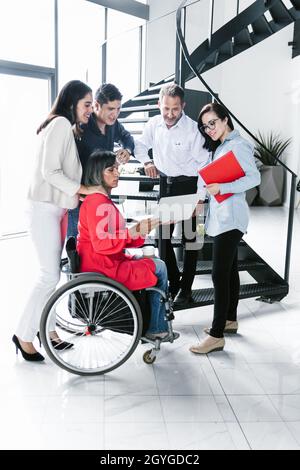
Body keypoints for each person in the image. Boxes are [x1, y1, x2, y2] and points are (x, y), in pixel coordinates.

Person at [13, 80, 102, 362]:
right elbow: (50, 171)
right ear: (72, 102)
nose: (91, 110)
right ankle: (23, 334)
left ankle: (48, 331)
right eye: (87, 104)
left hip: (54, 210)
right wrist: (84, 189)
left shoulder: (65, 126)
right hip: (43, 208)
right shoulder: (61, 124)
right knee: (48, 275)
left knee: (50, 277)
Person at [77, 150, 172, 340]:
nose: (117, 173)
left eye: (117, 169)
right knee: (160, 267)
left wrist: (142, 229)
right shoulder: (97, 201)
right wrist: (132, 232)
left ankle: (154, 323)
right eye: (111, 170)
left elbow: (118, 237)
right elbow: (102, 243)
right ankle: (156, 328)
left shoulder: (100, 200)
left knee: (153, 261)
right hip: (104, 267)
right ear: (97, 173)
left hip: (106, 262)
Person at [189, 102, 261, 354]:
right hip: (223, 217)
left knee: (219, 274)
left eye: (213, 123)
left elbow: (255, 178)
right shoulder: (223, 146)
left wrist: (223, 187)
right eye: (205, 126)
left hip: (231, 219)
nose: (209, 129)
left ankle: (217, 334)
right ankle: (230, 320)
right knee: (229, 271)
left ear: (225, 119)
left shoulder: (238, 145)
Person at [134, 83, 209, 306]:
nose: (169, 114)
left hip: (189, 187)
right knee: (162, 239)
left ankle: (186, 289)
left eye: (175, 109)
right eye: (166, 108)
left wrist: (200, 198)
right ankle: (174, 283)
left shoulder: (193, 129)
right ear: (159, 104)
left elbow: (205, 164)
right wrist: (147, 161)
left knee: (191, 241)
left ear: (183, 106)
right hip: (165, 186)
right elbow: (139, 146)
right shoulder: (154, 124)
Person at [67, 83, 135, 239]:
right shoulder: (81, 126)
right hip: (80, 198)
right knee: (77, 246)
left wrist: (127, 150)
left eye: (118, 109)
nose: (115, 114)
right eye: (111, 109)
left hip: (102, 194)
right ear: (96, 105)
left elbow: (127, 137)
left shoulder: (113, 125)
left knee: (102, 243)